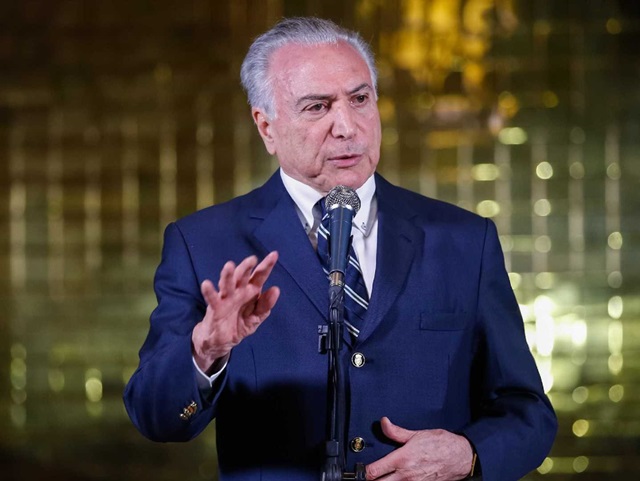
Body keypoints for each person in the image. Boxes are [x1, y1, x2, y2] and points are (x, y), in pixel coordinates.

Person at [124, 17, 557, 481]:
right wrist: (204, 351)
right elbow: (156, 418)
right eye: (317, 107)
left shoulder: (464, 240)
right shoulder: (202, 244)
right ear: (266, 127)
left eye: (360, 99)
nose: (347, 127)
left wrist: (469, 454)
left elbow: (527, 412)